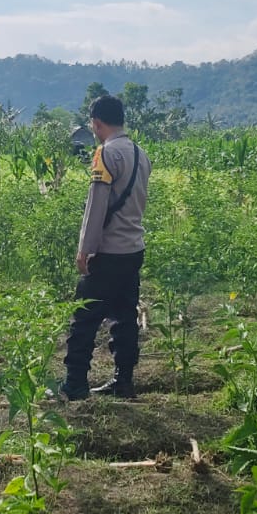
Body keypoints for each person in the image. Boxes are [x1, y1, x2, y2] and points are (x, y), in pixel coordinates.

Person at [61, 95, 151, 400]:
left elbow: (96, 205)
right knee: (125, 316)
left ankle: (74, 384)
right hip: (133, 249)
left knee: (84, 317)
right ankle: (123, 381)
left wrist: (85, 248)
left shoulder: (105, 154)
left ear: (97, 123)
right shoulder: (140, 153)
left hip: (108, 251)